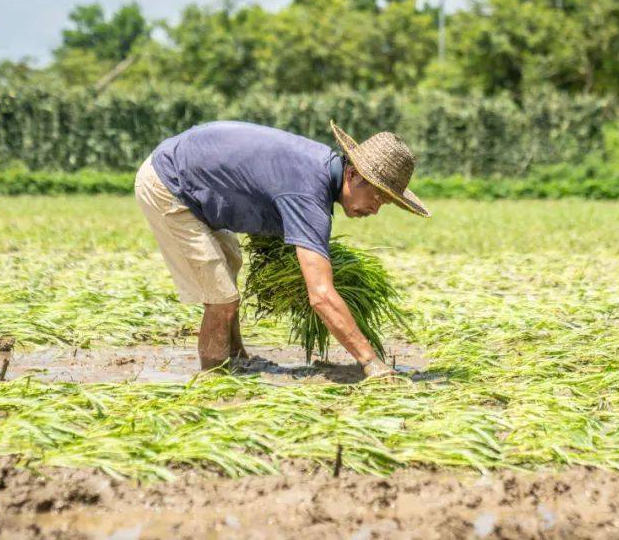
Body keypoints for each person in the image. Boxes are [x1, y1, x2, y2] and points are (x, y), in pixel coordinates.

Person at [134, 120, 430, 378]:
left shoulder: (319, 168)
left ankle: (237, 359)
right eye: (377, 196)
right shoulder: (309, 192)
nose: (376, 210)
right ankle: (214, 379)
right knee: (221, 298)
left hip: (196, 173)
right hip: (170, 183)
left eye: (385, 203)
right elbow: (321, 296)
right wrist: (370, 362)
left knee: (230, 266)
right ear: (352, 175)